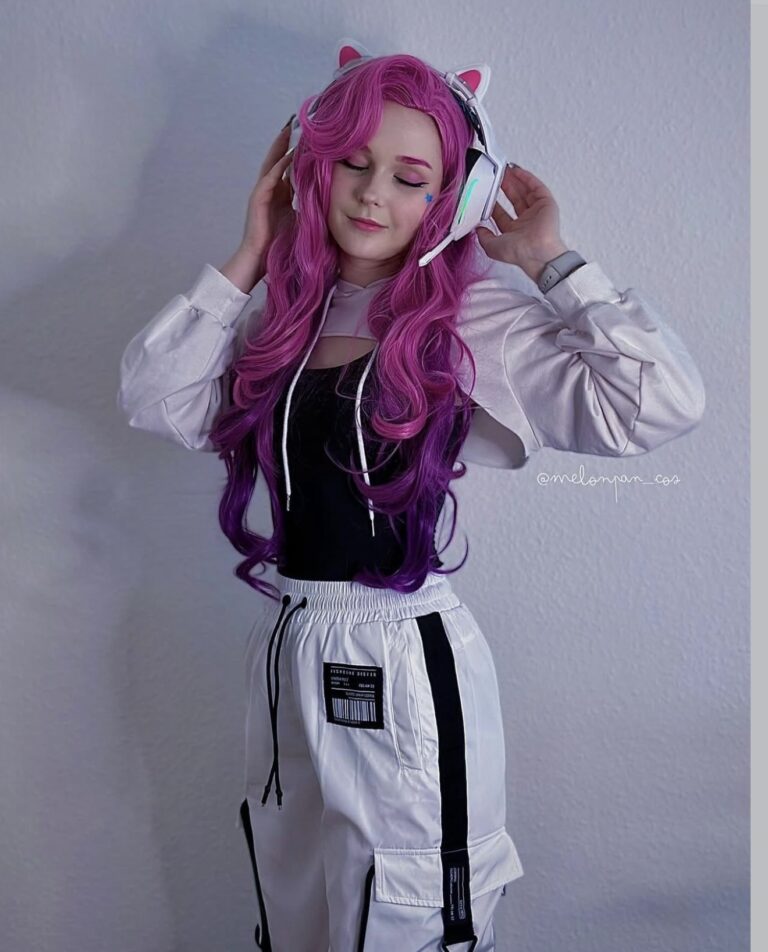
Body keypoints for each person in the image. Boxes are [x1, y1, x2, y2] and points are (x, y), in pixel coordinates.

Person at [117, 43, 705, 952]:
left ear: (453, 198)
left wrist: (550, 261)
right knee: (296, 906)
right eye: (352, 163)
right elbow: (156, 401)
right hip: (288, 644)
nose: (370, 195)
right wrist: (253, 252)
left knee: (404, 911)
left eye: (409, 177)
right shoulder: (285, 314)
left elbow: (658, 404)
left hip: (397, 652)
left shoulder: (475, 317)